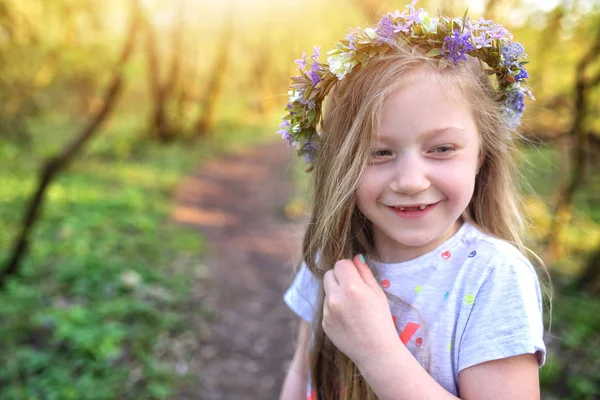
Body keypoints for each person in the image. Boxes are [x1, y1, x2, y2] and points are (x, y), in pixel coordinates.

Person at [277, 1, 548, 399]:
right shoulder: (331, 256)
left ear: (481, 155)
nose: (409, 181)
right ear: (341, 162)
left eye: (441, 149)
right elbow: (302, 376)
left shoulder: (493, 276)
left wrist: (377, 353)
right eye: (379, 152)